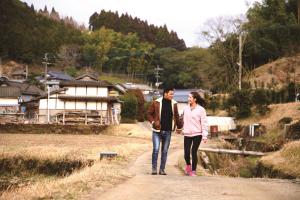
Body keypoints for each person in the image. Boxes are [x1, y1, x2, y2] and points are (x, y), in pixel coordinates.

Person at [147, 87, 182, 175]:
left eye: (173, 94)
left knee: (165, 151)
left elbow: (177, 116)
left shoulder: (174, 104)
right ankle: (154, 169)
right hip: (157, 131)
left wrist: (179, 127)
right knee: (156, 149)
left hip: (168, 131)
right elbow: (149, 114)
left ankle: (162, 169)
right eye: (171, 94)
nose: (172, 95)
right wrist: (153, 122)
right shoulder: (156, 102)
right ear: (165, 94)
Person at [181, 91, 208, 176]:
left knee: (193, 151)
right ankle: (188, 165)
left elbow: (204, 123)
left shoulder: (201, 110)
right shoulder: (185, 109)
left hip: (197, 134)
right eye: (188, 97)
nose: (188, 99)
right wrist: (181, 128)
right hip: (187, 134)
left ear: (195, 99)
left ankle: (193, 171)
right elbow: (182, 120)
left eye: (190, 97)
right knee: (186, 153)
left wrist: (204, 135)